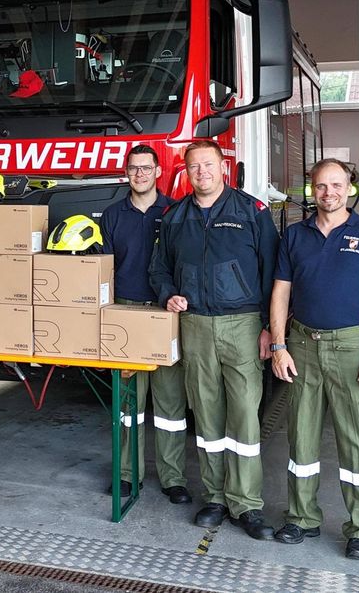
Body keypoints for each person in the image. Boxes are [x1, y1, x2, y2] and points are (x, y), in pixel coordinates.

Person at [149, 140, 279, 540]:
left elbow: (275, 273)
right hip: (195, 325)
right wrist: (168, 292)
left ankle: (247, 504)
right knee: (206, 414)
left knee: (243, 413)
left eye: (208, 164)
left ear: (224, 167)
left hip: (242, 323)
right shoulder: (175, 217)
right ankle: (216, 497)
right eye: (193, 166)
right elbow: (160, 270)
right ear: (185, 172)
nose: (201, 172)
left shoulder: (252, 212)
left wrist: (270, 329)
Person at [268, 159, 359, 560]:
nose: (328, 193)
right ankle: (302, 517)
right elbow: (280, 292)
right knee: (301, 435)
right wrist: (278, 344)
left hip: (352, 347)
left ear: (350, 189)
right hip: (302, 343)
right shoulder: (294, 235)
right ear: (311, 190)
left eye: (336, 185)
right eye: (320, 186)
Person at [99, 143, 191, 505]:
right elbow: (102, 269)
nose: (139, 174)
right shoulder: (112, 215)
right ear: (127, 173)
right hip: (125, 312)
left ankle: (173, 478)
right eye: (133, 168)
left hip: (165, 313)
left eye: (146, 168)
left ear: (158, 172)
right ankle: (126, 474)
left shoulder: (174, 212)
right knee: (127, 405)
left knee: (169, 404)